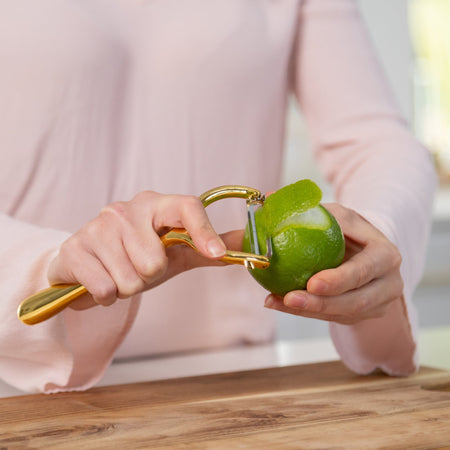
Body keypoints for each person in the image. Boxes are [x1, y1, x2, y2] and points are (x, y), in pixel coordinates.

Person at [0, 0, 436, 393]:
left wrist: (378, 228)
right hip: (17, 377)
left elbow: (375, 139)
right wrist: (48, 261)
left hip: (231, 382)